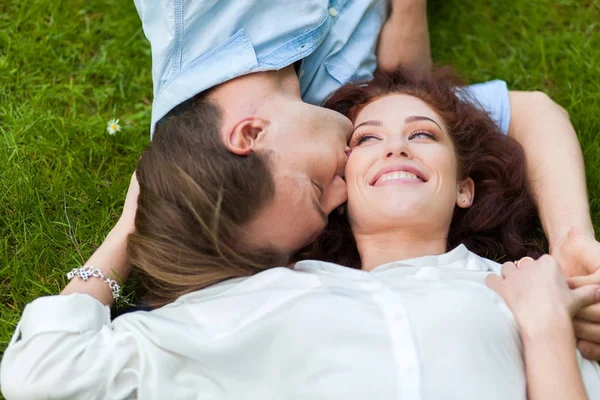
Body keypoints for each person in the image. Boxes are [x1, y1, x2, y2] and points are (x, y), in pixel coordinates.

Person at [2, 68, 599, 399]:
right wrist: (131, 226)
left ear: (464, 189)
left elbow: (535, 111)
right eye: (364, 140)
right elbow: (44, 372)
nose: (394, 144)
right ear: (342, 195)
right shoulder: (254, 303)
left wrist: (548, 320)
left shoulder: (522, 292)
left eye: (423, 135)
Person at [131, 0, 600, 357]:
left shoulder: (197, 15)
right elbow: (530, 113)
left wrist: (107, 261)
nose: (343, 187)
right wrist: (572, 239)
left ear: (251, 133)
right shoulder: (340, 112)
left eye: (317, 190)